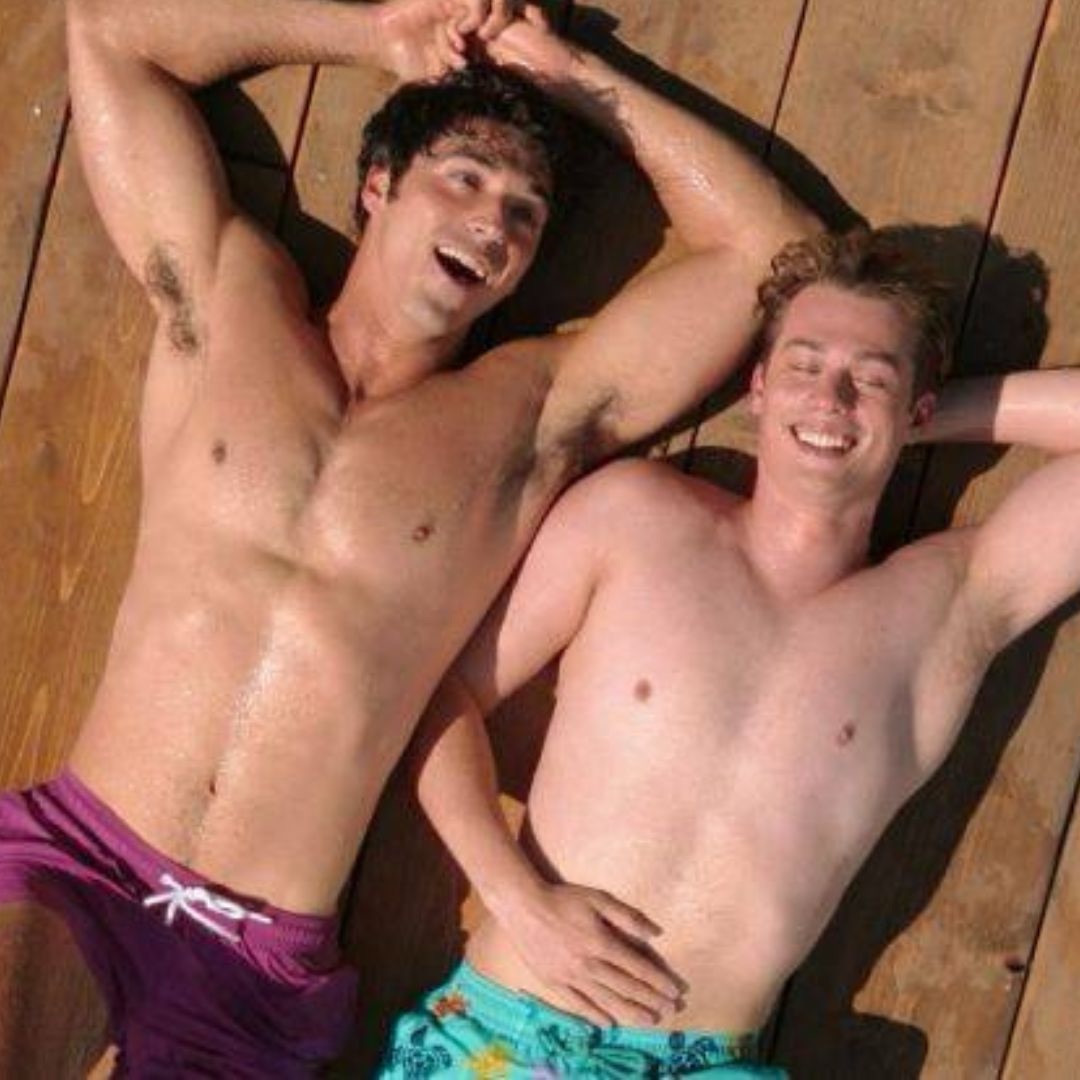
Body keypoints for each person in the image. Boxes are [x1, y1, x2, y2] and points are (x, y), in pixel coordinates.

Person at [0, 0, 815, 1072]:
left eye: (525, 213)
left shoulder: (528, 416)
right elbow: (110, 33)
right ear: (378, 187)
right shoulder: (224, 301)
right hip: (82, 859)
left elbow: (774, 254)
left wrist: (564, 71)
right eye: (464, 178)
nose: (494, 222)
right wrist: (376, 38)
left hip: (256, 965)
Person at [384, 227, 1080, 1077]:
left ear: (920, 411)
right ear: (757, 388)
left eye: (870, 378)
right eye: (803, 367)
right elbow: (443, 695)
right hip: (501, 1030)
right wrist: (515, 896)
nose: (829, 397)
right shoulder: (633, 518)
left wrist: (899, 422)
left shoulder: (950, 606)